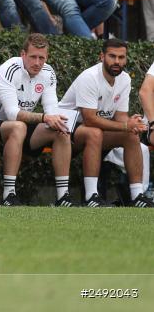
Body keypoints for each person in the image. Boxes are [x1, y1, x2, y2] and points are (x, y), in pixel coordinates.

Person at [58, 39, 153, 207]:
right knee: (94, 133)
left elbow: (120, 116)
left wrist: (132, 124)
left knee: (131, 136)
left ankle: (137, 196)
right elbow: (89, 119)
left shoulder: (124, 79)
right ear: (102, 56)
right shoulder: (90, 77)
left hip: (93, 130)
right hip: (65, 128)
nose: (117, 61)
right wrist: (124, 126)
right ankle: (91, 197)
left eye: (121, 57)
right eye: (112, 56)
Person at [0, 34, 71, 206]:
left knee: (61, 131)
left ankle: (63, 197)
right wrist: (45, 117)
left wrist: (55, 120)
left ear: (47, 57)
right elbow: (12, 113)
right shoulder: (9, 69)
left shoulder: (48, 72)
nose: (37, 63)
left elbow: (51, 109)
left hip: (23, 126)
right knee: (18, 126)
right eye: (33, 57)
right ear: (23, 55)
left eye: (41, 58)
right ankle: (9, 195)